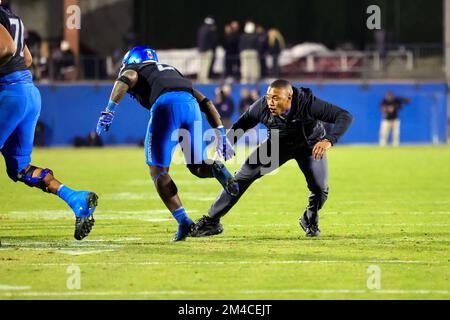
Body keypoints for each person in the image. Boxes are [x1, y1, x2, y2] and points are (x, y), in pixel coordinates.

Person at [95, 46, 239, 242]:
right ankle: (215, 167)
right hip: (191, 106)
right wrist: (221, 133)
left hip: (166, 105)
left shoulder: (136, 69)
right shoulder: (171, 71)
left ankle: (184, 221)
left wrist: (110, 109)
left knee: (158, 171)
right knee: (197, 166)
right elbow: (206, 103)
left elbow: (127, 77)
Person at [191, 79, 353, 238]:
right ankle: (211, 222)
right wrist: (224, 147)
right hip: (276, 146)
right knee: (241, 178)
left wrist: (329, 140)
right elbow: (241, 126)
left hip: (309, 147)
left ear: (289, 97)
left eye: (275, 98)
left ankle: (309, 219)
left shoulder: (307, 103)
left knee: (319, 188)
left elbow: (344, 116)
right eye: (268, 97)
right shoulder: (261, 107)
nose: (270, 102)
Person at [0, 2, 98, 240]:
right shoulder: (14, 18)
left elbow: (5, 48)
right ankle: (76, 199)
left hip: (10, 93)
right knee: (21, 169)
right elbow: (28, 58)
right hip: (28, 93)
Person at [197, 16, 218, 83]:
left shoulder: (201, 29)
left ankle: (200, 78)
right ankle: (204, 78)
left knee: (202, 64)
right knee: (206, 65)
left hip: (201, 49)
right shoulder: (210, 30)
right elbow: (213, 40)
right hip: (208, 50)